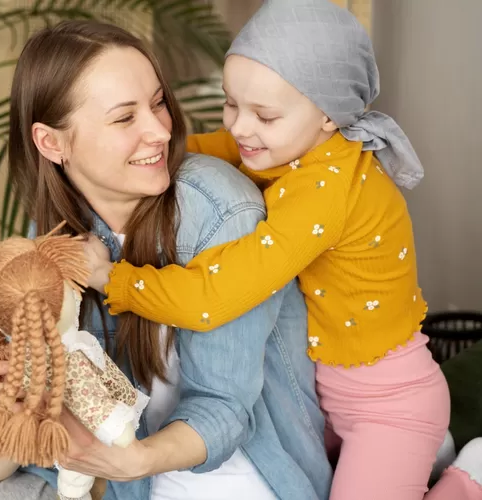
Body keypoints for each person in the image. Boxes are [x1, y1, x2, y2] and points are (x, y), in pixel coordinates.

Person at [0, 19, 332, 500]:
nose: (159, 130)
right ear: (53, 142)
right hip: (101, 477)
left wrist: (133, 461)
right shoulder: (47, 242)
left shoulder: (221, 211)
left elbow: (223, 408)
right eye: (124, 118)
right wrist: (12, 407)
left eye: (158, 103)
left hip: (217, 469)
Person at [85, 1, 482, 499]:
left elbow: (215, 296)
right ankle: (418, 459)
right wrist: (129, 160)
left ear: (329, 117)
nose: (240, 127)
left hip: (388, 403)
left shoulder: (325, 193)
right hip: (329, 389)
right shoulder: (288, 143)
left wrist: (113, 279)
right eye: (231, 104)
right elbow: (203, 148)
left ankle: (467, 478)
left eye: (263, 115)